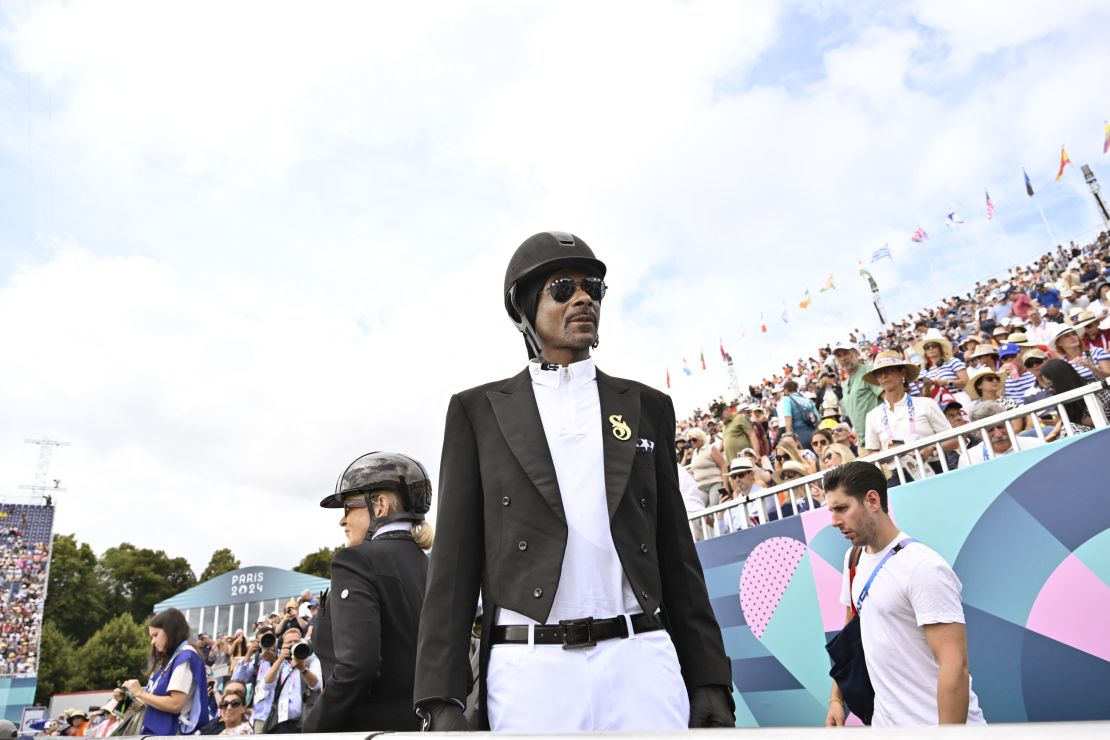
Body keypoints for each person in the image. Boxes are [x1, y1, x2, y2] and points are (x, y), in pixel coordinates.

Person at [414, 231, 733, 732]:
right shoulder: (476, 411)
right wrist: (440, 694)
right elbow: (452, 567)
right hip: (529, 672)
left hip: (642, 661)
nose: (584, 297)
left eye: (593, 289)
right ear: (525, 307)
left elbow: (676, 553)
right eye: (563, 288)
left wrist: (709, 677)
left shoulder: (648, 406)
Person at [823, 462, 985, 727]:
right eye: (831, 510)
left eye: (842, 508)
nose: (834, 521)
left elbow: (954, 667)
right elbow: (850, 637)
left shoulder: (923, 567)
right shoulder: (853, 558)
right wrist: (836, 700)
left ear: (872, 500)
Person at [302, 452, 432, 733]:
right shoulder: (434, 567)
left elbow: (358, 667)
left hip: (367, 730)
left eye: (348, 507)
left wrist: (312, 730)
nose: (342, 520)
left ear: (381, 505)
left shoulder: (355, 561)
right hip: (431, 728)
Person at [862, 352, 955, 482]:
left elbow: (954, 439)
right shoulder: (873, 416)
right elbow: (872, 454)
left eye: (889, 370)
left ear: (902, 373)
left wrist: (931, 450)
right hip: (899, 475)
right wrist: (888, 454)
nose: (883, 376)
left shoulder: (926, 404)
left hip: (934, 469)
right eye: (878, 373)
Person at [121, 608, 210, 735]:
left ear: (170, 631)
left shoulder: (185, 656)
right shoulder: (170, 660)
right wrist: (127, 699)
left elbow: (175, 704)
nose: (153, 642)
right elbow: (150, 704)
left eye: (155, 635)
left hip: (173, 734)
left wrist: (140, 692)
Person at [256, 627, 321, 733]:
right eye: (289, 642)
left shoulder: (311, 661)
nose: (292, 644)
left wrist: (302, 668)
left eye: (296, 641)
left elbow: (316, 685)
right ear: (283, 646)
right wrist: (280, 658)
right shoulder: (281, 664)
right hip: (281, 722)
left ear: (302, 643)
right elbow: (266, 685)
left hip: (304, 721)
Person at [957, 401, 1045, 467]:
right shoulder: (969, 459)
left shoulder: (1036, 444)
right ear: (977, 434)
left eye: (1001, 426)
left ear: (1010, 424)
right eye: (990, 430)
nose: (998, 434)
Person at [832, 340, 881, 443]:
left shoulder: (869, 371)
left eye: (846, 353)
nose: (843, 359)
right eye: (839, 356)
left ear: (856, 353)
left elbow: (889, 398)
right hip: (864, 441)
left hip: (881, 436)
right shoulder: (845, 385)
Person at [684, 428, 729, 506]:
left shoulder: (711, 448)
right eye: (689, 441)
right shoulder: (694, 452)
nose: (691, 442)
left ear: (701, 438)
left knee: (714, 508)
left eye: (694, 439)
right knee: (699, 509)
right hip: (701, 487)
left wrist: (725, 485)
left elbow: (723, 466)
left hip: (715, 483)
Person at [777, 378, 818, 449]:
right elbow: (817, 417)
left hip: (799, 434)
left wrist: (788, 435)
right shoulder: (807, 400)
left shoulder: (787, 399)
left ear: (786, 390)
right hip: (814, 433)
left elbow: (788, 418)